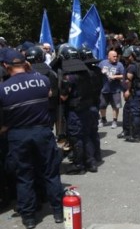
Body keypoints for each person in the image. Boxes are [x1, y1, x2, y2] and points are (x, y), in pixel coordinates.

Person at [0, 49, 64, 228]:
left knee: (24, 176)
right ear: (24, 63)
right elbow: (49, 95)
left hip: (18, 135)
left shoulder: (3, 89)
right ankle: (58, 211)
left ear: (6, 66)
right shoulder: (42, 80)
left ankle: (29, 217)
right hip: (42, 132)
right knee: (50, 173)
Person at [58, 45, 97, 174]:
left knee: (76, 137)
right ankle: (91, 163)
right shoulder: (88, 72)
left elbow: (63, 97)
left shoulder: (69, 77)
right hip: (88, 107)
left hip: (75, 110)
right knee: (86, 136)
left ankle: (78, 165)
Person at [98, 50, 124, 128]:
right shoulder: (103, 63)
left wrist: (115, 76)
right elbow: (96, 72)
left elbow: (124, 75)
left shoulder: (119, 65)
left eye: (116, 56)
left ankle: (114, 121)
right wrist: (100, 72)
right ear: (109, 57)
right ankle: (103, 119)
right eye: (114, 56)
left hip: (115, 90)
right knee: (102, 105)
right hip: (104, 89)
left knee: (116, 106)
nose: (115, 58)